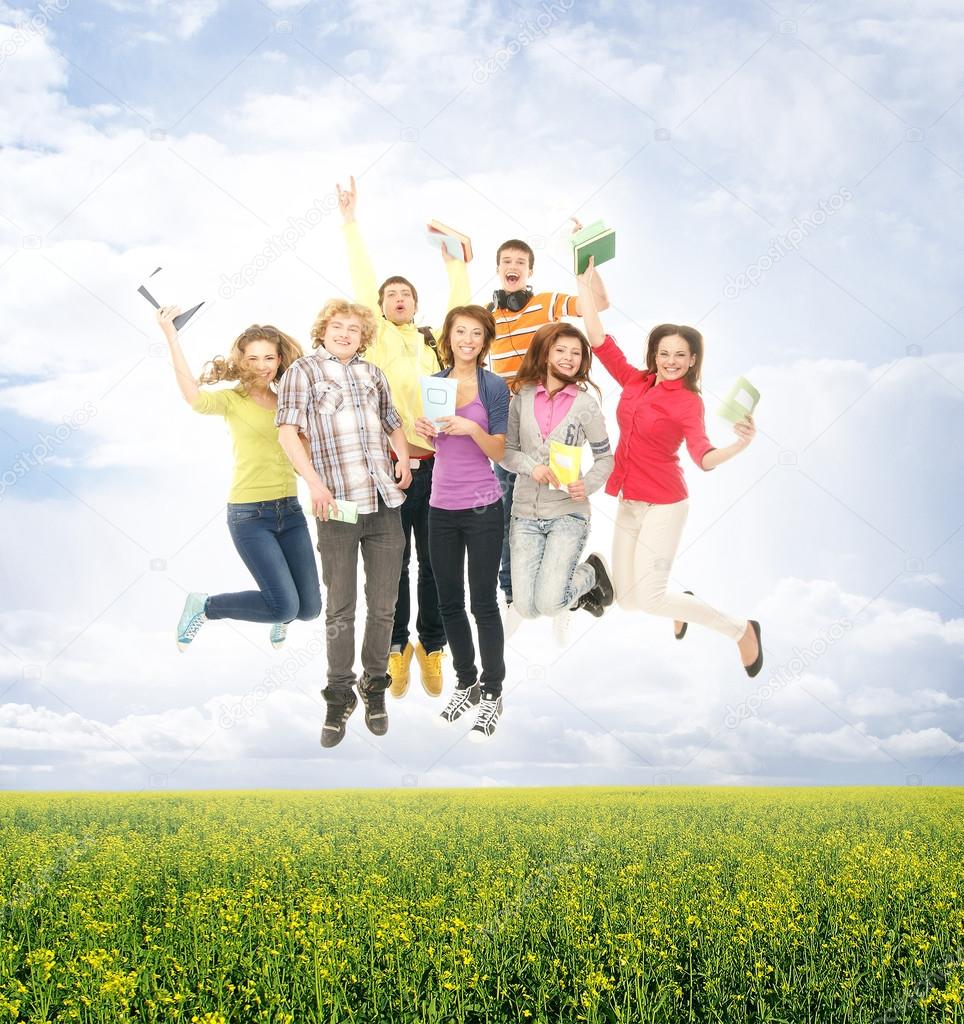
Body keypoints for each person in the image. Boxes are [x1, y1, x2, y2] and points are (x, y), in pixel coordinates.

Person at [576, 259, 764, 677]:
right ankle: (685, 603)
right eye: (664, 353)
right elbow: (598, 338)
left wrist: (739, 444)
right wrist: (583, 283)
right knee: (628, 600)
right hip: (629, 499)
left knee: (652, 598)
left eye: (680, 355)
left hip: (665, 503)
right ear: (654, 355)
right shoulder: (635, 381)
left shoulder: (688, 402)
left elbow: (703, 457)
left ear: (693, 359)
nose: (671, 361)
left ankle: (741, 629)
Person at [337, 175, 471, 701]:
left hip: (438, 466)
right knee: (391, 564)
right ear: (378, 306)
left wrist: (455, 265)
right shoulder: (374, 343)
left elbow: (465, 317)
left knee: (437, 562)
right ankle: (395, 649)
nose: (398, 299)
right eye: (390, 295)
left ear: (416, 306)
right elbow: (361, 276)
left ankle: (431, 647)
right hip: (390, 465)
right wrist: (350, 223)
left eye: (405, 295)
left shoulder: (434, 342)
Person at [275, 299, 412, 749]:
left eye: (355, 329)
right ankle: (338, 694)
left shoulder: (373, 374)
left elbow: (393, 421)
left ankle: (374, 687)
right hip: (335, 505)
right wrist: (313, 483)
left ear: (364, 336)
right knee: (340, 607)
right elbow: (287, 432)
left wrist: (405, 456)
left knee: (385, 605)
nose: (346, 333)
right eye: (338, 326)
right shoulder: (304, 372)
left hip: (383, 504)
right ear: (323, 329)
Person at [156, 308, 322, 652]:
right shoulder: (233, 400)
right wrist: (171, 336)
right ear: (242, 361)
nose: (262, 365)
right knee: (283, 605)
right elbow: (193, 397)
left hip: (290, 512)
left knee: (308, 610)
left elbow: (301, 458)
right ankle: (204, 606)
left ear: (280, 360)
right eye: (253, 358)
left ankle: (280, 616)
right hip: (250, 516)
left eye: (269, 357)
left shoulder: (288, 404)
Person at [488, 225, 610, 610]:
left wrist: (586, 264)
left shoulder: (544, 302)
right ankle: (516, 590)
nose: (513, 266)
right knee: (508, 504)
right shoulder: (489, 318)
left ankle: (566, 583)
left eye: (520, 262)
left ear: (529, 271)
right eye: (506, 261)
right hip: (508, 420)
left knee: (554, 497)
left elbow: (599, 304)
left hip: (548, 413)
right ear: (498, 270)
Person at [414, 305, 510, 741]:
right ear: (448, 338)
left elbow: (499, 452)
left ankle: (493, 692)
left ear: (484, 340)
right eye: (459, 332)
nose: (467, 339)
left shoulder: (494, 387)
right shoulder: (434, 384)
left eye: (475, 333)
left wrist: (469, 428)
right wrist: (428, 432)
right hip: (440, 505)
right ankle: (466, 683)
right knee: (449, 602)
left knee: (483, 603)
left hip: (482, 507)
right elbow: (435, 442)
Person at [500, 321, 615, 631]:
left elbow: (606, 457)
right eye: (560, 350)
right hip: (524, 514)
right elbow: (507, 452)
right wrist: (531, 467)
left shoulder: (586, 405)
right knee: (526, 607)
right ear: (546, 353)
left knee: (550, 603)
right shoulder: (521, 396)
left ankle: (591, 572)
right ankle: (577, 587)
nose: (568, 357)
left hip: (568, 511)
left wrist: (587, 484)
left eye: (576, 353)